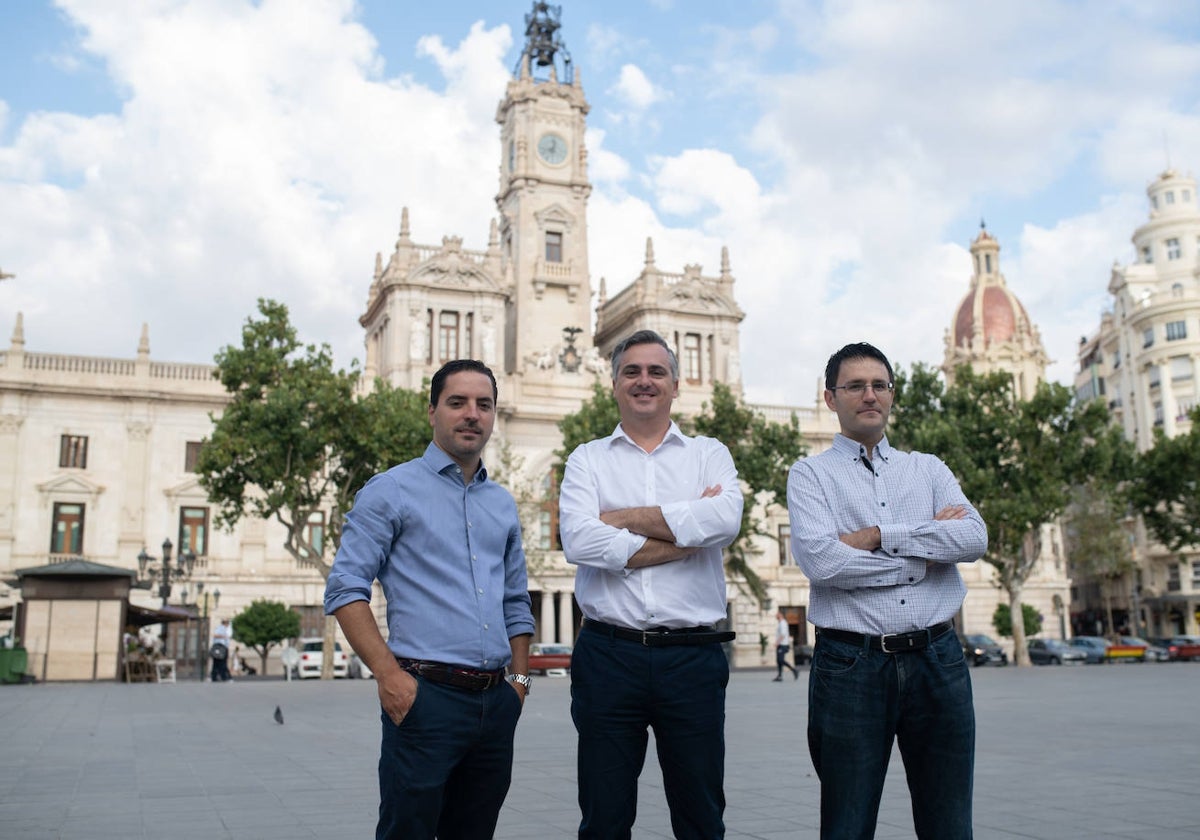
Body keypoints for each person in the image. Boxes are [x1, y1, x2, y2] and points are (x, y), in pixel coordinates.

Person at [324, 359, 535, 840]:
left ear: (495, 415)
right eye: (457, 402)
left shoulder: (501, 502)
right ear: (432, 412)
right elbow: (345, 588)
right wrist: (389, 677)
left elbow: (515, 599)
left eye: (484, 405)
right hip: (424, 700)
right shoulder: (391, 490)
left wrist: (518, 682)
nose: (471, 414)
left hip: (494, 703)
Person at [786, 342, 987, 840]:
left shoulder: (930, 468)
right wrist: (925, 554)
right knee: (847, 824)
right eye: (854, 386)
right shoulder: (810, 474)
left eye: (879, 385)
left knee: (950, 823)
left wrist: (879, 537)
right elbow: (822, 562)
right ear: (831, 398)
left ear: (892, 395)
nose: (869, 395)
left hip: (939, 659)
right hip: (850, 665)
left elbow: (973, 538)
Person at [559, 329, 743, 840]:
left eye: (656, 371)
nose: (644, 381)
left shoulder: (710, 453)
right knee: (604, 815)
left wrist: (619, 520)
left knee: (702, 813)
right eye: (632, 372)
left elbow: (725, 521)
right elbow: (577, 539)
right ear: (614, 383)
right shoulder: (586, 459)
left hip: (694, 658)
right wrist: (686, 536)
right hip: (608, 656)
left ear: (676, 385)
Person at [772, 610, 799, 681]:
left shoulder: (783, 623)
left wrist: (777, 643)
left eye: (777, 614)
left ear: (780, 615)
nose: (776, 615)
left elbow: (783, 635)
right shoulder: (780, 623)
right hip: (781, 645)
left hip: (783, 644)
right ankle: (780, 676)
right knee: (779, 661)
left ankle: (794, 670)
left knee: (780, 660)